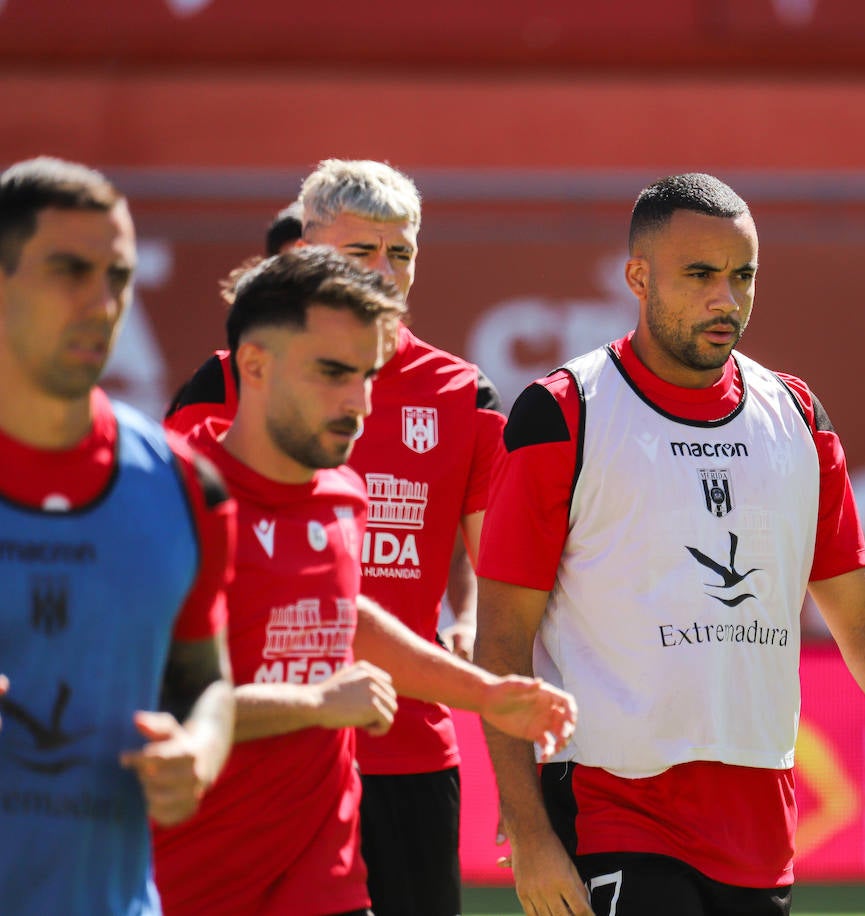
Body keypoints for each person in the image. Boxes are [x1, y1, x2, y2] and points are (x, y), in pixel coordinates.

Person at [475, 172, 865, 916]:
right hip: (610, 804)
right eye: (700, 276)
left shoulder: (798, 416)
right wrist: (530, 832)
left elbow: (862, 613)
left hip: (760, 818)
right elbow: (501, 638)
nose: (727, 298)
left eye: (742, 275)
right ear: (638, 276)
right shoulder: (563, 413)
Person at [151, 246, 576, 916]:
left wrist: (486, 693)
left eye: (367, 375)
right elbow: (160, 704)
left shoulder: (343, 493)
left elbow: (345, 620)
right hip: (193, 885)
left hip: (328, 881)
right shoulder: (174, 494)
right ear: (254, 366)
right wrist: (320, 706)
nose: (359, 402)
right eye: (331, 374)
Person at [0, 156, 236, 913]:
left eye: (120, 276)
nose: (103, 304)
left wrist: (197, 751)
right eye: (69, 270)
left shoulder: (184, 487)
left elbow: (209, 685)